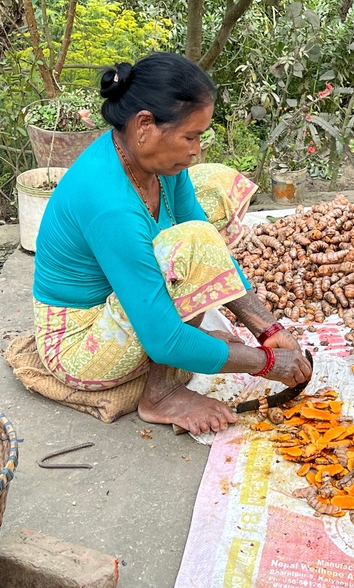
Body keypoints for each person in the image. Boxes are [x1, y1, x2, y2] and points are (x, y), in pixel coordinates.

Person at [33, 52, 312, 435]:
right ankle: (160, 395)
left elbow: (206, 240)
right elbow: (164, 342)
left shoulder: (153, 161)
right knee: (192, 246)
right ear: (145, 125)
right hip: (79, 344)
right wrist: (265, 362)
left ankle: (193, 345)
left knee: (214, 188)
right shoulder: (108, 203)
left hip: (122, 300)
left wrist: (266, 327)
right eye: (190, 136)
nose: (196, 149)